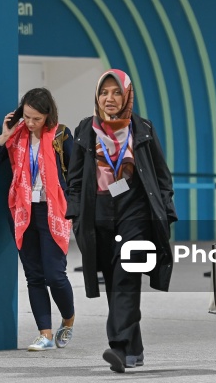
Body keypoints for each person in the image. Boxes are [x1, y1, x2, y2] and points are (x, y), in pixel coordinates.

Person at [65, 69, 177, 373]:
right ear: (97, 96)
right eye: (104, 92)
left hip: (136, 211)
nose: (110, 98)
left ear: (127, 95)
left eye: (116, 92)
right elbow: (74, 179)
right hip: (99, 213)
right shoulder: (85, 130)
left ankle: (117, 344)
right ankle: (134, 348)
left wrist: (165, 209)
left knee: (127, 274)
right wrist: (75, 213)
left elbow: (161, 176)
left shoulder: (142, 128)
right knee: (115, 282)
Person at [0, 88, 75, 351]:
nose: (31, 123)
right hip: (22, 211)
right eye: (27, 117)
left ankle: (68, 319)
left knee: (55, 275)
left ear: (48, 115)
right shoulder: (17, 135)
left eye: (37, 119)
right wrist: (5, 135)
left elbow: (77, 172)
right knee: (34, 275)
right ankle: (44, 333)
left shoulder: (61, 135)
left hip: (53, 210)